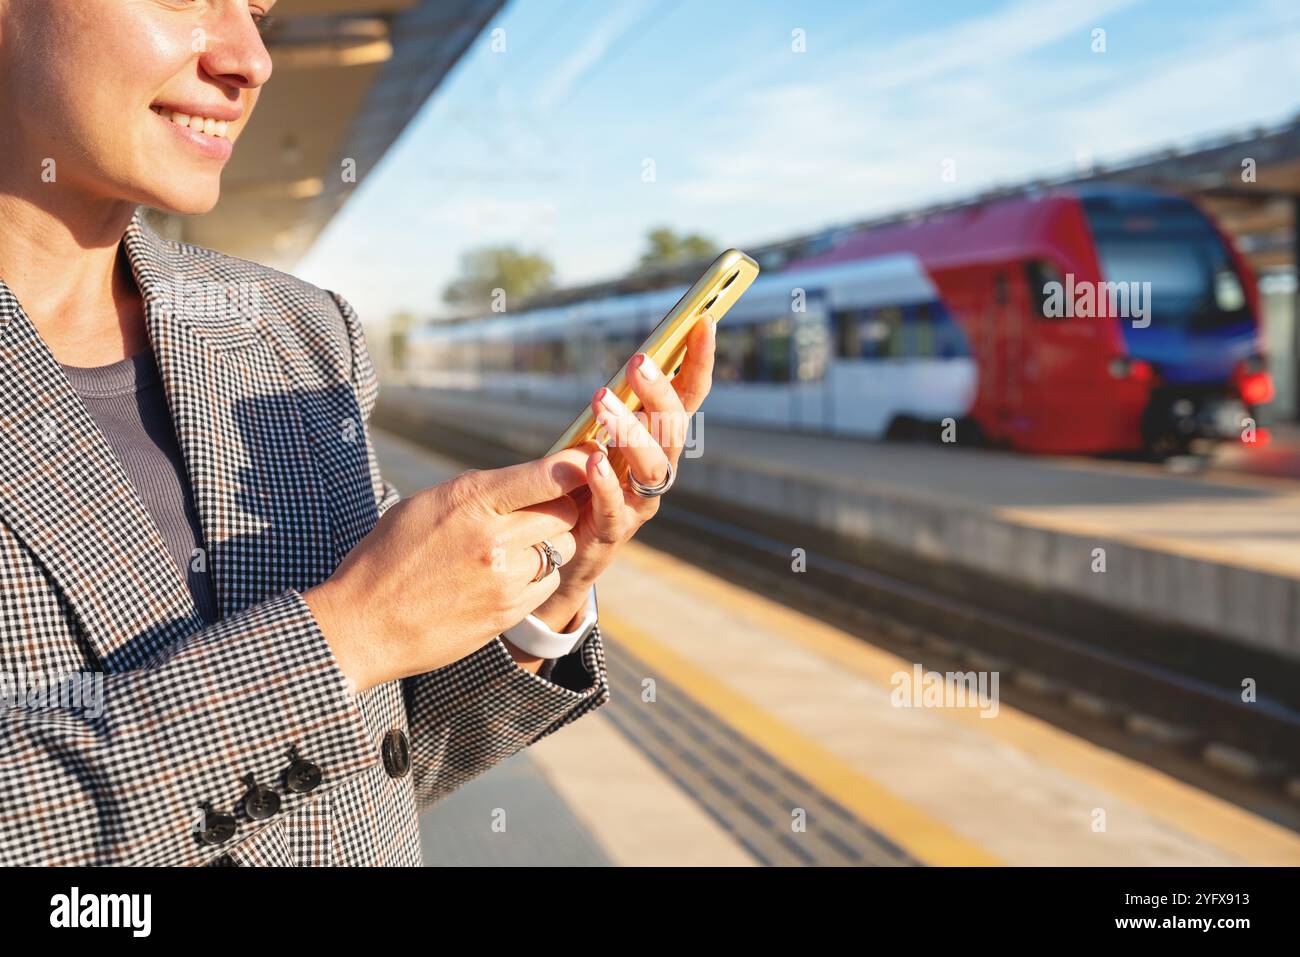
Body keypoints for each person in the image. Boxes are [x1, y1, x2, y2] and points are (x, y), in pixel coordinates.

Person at [0, 0, 716, 865]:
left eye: (257, 10)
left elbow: (374, 768)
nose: (251, 59)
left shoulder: (300, 333)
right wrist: (351, 631)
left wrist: (546, 585)